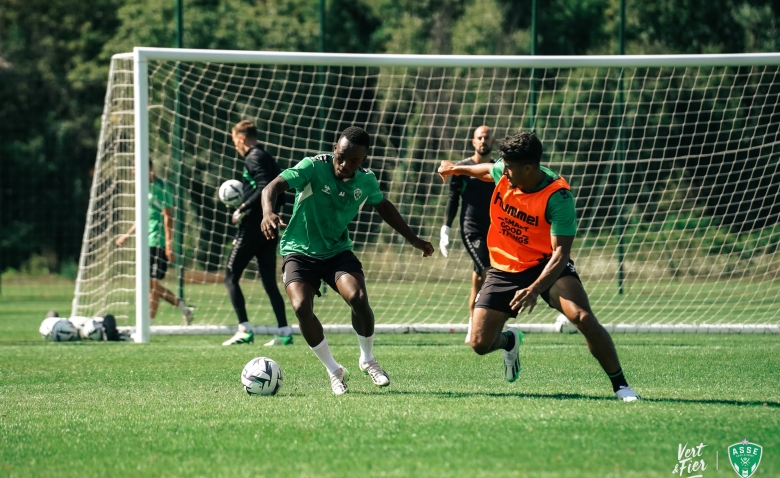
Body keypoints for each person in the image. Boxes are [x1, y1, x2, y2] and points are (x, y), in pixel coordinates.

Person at [437, 132, 641, 401]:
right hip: (505, 266)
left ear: (528, 168)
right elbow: (487, 169)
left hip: (546, 265)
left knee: (581, 316)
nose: (503, 170)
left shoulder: (557, 197)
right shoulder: (507, 170)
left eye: (509, 167)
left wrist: (534, 289)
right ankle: (510, 340)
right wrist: (456, 168)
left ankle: (621, 386)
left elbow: (561, 254)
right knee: (479, 344)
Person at [261, 126, 434, 395]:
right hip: (298, 250)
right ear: (334, 149)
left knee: (358, 298)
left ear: (362, 160)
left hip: (337, 251)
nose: (345, 164)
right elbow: (272, 187)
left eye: (353, 161)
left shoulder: (366, 180)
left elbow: (384, 206)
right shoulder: (313, 167)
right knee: (300, 307)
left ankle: (367, 359)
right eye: (341, 157)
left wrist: (414, 239)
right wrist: (268, 213)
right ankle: (334, 370)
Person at [221, 120, 291, 346]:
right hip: (267, 228)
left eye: (235, 141)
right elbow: (281, 191)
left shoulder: (253, 158)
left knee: (230, 275)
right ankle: (284, 332)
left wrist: (243, 207)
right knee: (269, 282)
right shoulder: (267, 157)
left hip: (253, 227)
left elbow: (264, 186)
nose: (236, 147)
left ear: (241, 138)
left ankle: (244, 329)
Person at [116, 160, 195, 325]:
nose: (136, 175)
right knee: (151, 285)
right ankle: (156, 321)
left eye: (138, 171)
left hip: (158, 242)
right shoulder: (142, 189)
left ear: (149, 169)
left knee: (149, 283)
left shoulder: (162, 188)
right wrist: (127, 235)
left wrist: (169, 244)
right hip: (145, 242)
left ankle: (178, 309)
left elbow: (168, 217)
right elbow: (142, 216)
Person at [440, 126, 496, 343]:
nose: (483, 141)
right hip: (472, 229)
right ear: (473, 142)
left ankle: (472, 325)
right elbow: (453, 199)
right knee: (489, 273)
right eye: (479, 138)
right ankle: (490, 323)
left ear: (493, 141)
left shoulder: (498, 168)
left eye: (487, 137)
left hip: (496, 232)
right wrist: (446, 228)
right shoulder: (461, 168)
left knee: (478, 280)